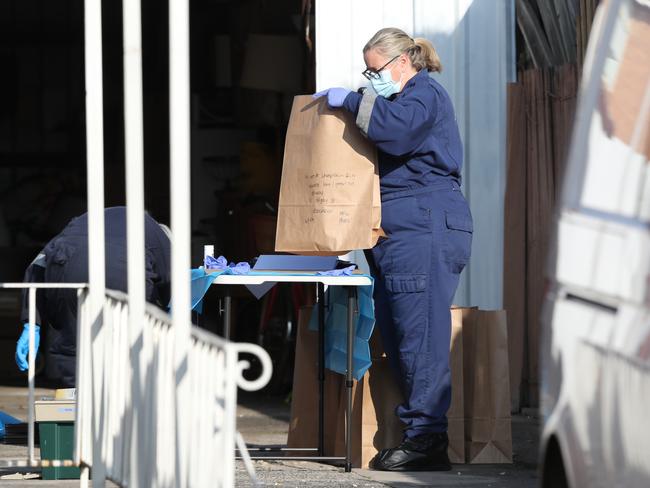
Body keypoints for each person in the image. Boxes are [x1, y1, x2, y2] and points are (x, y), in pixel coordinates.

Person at [314, 28, 473, 471]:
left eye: (375, 70)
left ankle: (425, 438)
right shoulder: (403, 98)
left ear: (402, 63)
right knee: (404, 335)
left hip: (422, 227)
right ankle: (422, 434)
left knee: (419, 337)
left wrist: (351, 101)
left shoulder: (422, 96)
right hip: (402, 230)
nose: (371, 79)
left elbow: (395, 134)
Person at [14, 207, 171, 388]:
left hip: (65, 275)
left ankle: (78, 405)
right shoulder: (157, 232)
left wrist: (32, 322)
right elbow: (172, 279)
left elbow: (38, 265)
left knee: (75, 349)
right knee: (127, 351)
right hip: (121, 277)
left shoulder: (81, 221)